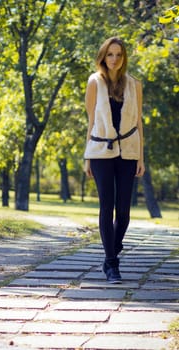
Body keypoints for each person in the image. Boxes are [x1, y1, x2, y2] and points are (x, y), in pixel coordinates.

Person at [84, 37, 145, 284]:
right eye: (110, 54)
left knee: (125, 212)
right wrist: (87, 156)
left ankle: (112, 248)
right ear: (103, 56)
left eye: (119, 54)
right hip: (100, 151)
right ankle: (111, 264)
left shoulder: (134, 84)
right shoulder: (94, 82)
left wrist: (141, 157)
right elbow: (90, 120)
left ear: (124, 57)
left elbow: (139, 122)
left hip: (129, 151)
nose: (114, 59)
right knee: (106, 207)